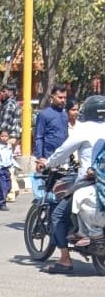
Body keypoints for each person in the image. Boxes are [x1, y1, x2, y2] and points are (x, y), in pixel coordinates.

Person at [40, 94, 105, 272]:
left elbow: (63, 151)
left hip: (87, 181)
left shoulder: (84, 130)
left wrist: (48, 163)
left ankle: (65, 259)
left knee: (58, 215)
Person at [34, 83, 68, 163]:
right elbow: (39, 137)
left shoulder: (65, 115)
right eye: (60, 97)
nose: (63, 100)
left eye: (65, 98)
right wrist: (39, 158)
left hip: (64, 157)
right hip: (48, 157)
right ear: (52, 96)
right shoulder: (44, 114)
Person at [0, 127, 14, 210]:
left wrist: (16, 165)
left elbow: (11, 157)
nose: (4, 138)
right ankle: (2, 204)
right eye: (2, 136)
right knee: (3, 188)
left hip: (7, 169)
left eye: (6, 136)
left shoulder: (9, 146)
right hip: (0, 169)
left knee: (8, 187)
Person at [0, 83, 22, 150]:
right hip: (12, 136)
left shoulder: (10, 104)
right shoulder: (13, 102)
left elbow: (5, 123)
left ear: (11, 92)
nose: (1, 93)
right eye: (1, 91)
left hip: (9, 137)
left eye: (4, 91)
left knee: (5, 158)